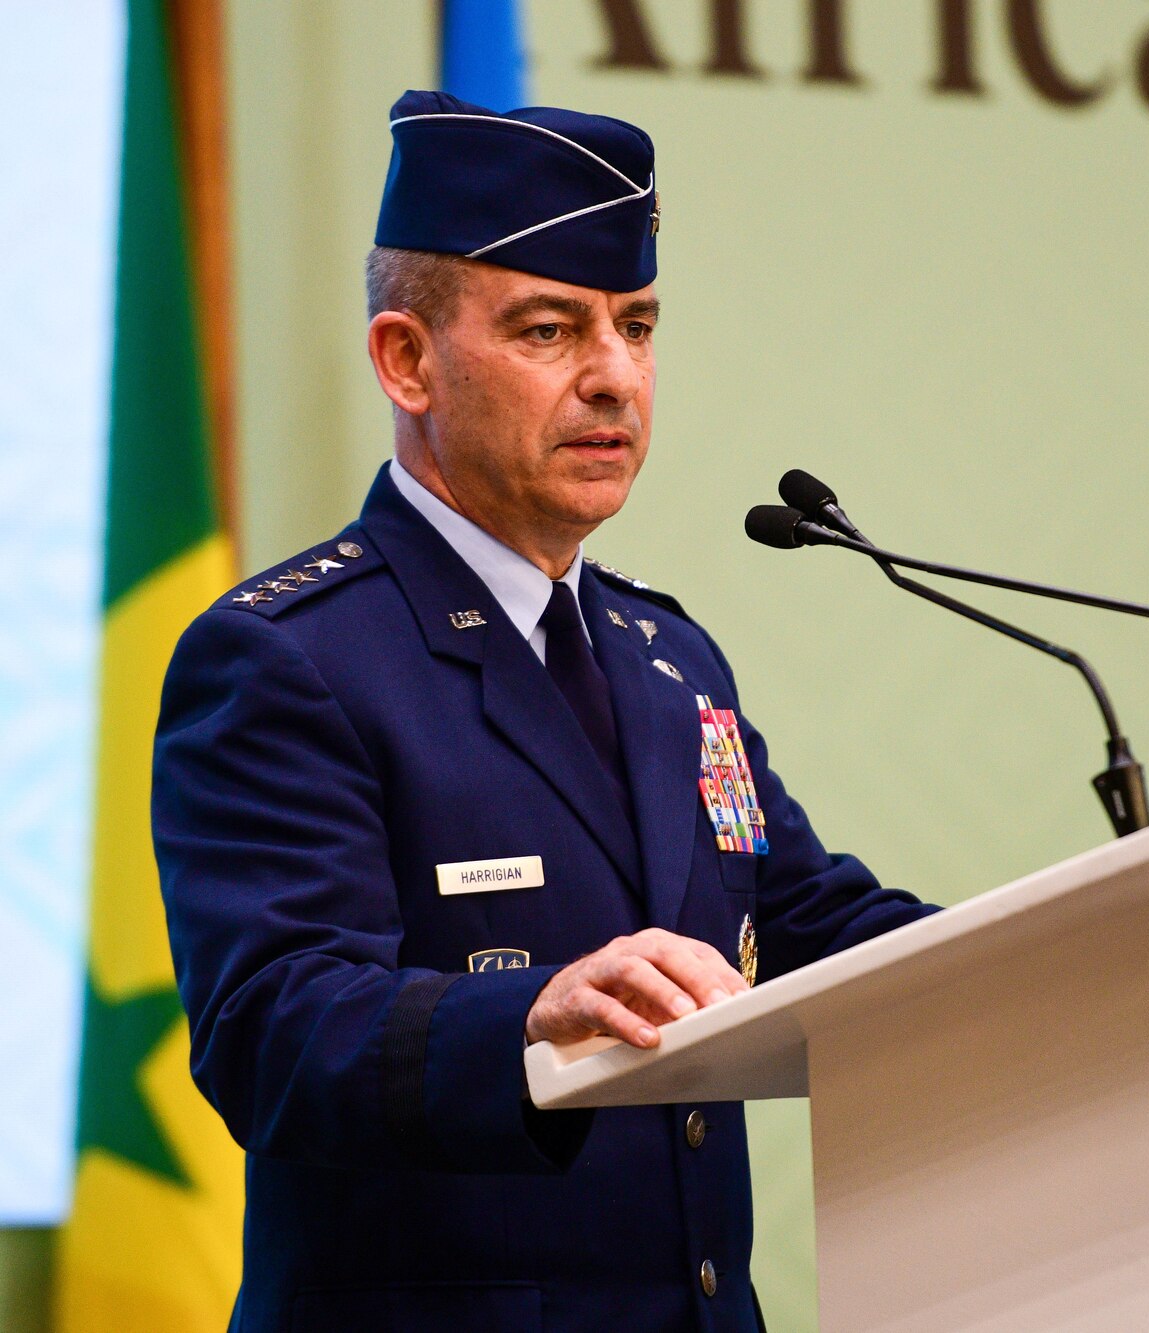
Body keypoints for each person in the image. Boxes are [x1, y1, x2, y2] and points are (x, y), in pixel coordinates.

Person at [153, 89, 935, 1331]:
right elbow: (273, 1024)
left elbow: (796, 920)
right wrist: (524, 1016)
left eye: (635, 325)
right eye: (548, 329)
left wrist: (1080, 949)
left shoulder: (669, 659)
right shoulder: (283, 659)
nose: (613, 376)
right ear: (405, 359)